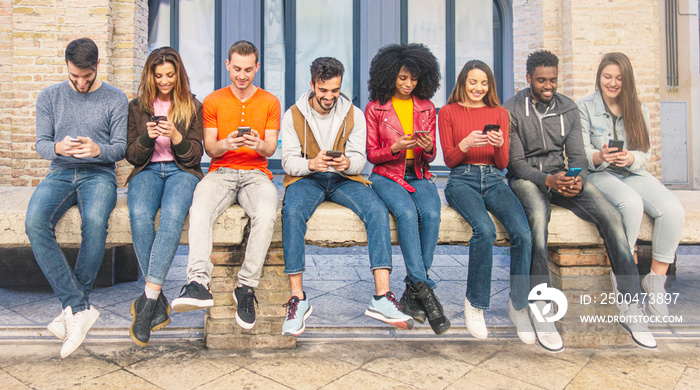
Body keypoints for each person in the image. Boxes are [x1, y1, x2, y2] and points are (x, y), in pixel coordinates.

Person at [505, 50, 656, 351]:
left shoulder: (568, 108)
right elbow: (516, 164)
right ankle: (542, 309)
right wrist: (547, 180)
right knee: (537, 221)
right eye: (541, 81)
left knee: (611, 215)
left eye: (553, 80)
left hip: (561, 178)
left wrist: (578, 180)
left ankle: (631, 306)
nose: (548, 86)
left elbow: (577, 157)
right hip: (528, 180)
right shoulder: (511, 109)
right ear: (528, 79)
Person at [280, 57, 413, 336]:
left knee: (376, 211)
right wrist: (311, 165)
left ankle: (381, 297)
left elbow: (359, 161)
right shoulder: (293, 114)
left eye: (335, 90)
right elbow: (289, 162)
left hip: (343, 179)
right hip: (307, 178)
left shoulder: (353, 113)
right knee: (291, 212)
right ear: (312, 84)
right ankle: (298, 299)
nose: (329, 97)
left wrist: (346, 164)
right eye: (323, 90)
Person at [25, 38, 128, 358]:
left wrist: (98, 150)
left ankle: (73, 308)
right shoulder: (50, 96)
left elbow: (121, 148)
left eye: (86, 76)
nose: (81, 83)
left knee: (95, 221)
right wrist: (58, 147)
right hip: (60, 172)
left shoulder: (115, 98)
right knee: (34, 222)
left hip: (99, 174)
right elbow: (42, 143)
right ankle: (78, 306)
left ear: (97, 65)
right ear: (66, 68)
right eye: (74, 77)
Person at [170, 40, 281, 332]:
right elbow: (209, 148)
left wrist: (257, 143)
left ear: (257, 68)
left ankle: (245, 287)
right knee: (200, 208)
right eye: (236, 69)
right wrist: (226, 143)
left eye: (248, 69)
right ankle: (198, 282)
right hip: (221, 171)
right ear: (227, 66)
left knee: (268, 214)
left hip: (256, 173)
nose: (242, 75)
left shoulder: (270, 102)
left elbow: (269, 149)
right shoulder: (213, 101)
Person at [578, 52, 685, 318]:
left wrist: (631, 157)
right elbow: (581, 151)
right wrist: (601, 156)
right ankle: (624, 275)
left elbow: (645, 152)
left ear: (628, 81)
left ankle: (655, 280)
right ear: (599, 77)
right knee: (631, 203)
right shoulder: (584, 107)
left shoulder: (638, 108)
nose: (612, 83)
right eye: (607, 77)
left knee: (673, 209)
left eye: (619, 78)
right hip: (601, 174)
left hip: (632, 172)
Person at [438, 60, 534, 344]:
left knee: (523, 233)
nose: (478, 88)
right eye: (472, 82)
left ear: (490, 85)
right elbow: (449, 159)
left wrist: (500, 142)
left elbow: (503, 163)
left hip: (494, 179)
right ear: (462, 83)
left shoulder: (499, 113)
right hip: (461, 180)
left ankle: (519, 307)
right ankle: (475, 304)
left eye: (484, 83)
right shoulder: (448, 112)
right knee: (485, 230)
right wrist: (466, 143)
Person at [364, 43, 449, 335]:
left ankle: (413, 291)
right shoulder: (376, 107)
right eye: (402, 78)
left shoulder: (426, 107)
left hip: (419, 174)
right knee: (407, 214)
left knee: (432, 214)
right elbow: (371, 154)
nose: (407, 83)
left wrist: (426, 149)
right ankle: (425, 293)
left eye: (413, 78)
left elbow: (432, 153)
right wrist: (395, 148)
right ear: (389, 76)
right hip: (386, 174)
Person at [125, 47, 204, 346]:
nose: (164, 81)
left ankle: (147, 303)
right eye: (158, 76)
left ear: (179, 74)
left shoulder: (192, 106)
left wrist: (176, 137)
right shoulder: (137, 106)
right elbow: (132, 155)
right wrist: (148, 136)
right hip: (146, 171)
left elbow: (195, 155)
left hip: (182, 172)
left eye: (170, 75)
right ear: (150, 75)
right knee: (140, 216)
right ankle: (155, 301)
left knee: (172, 216)